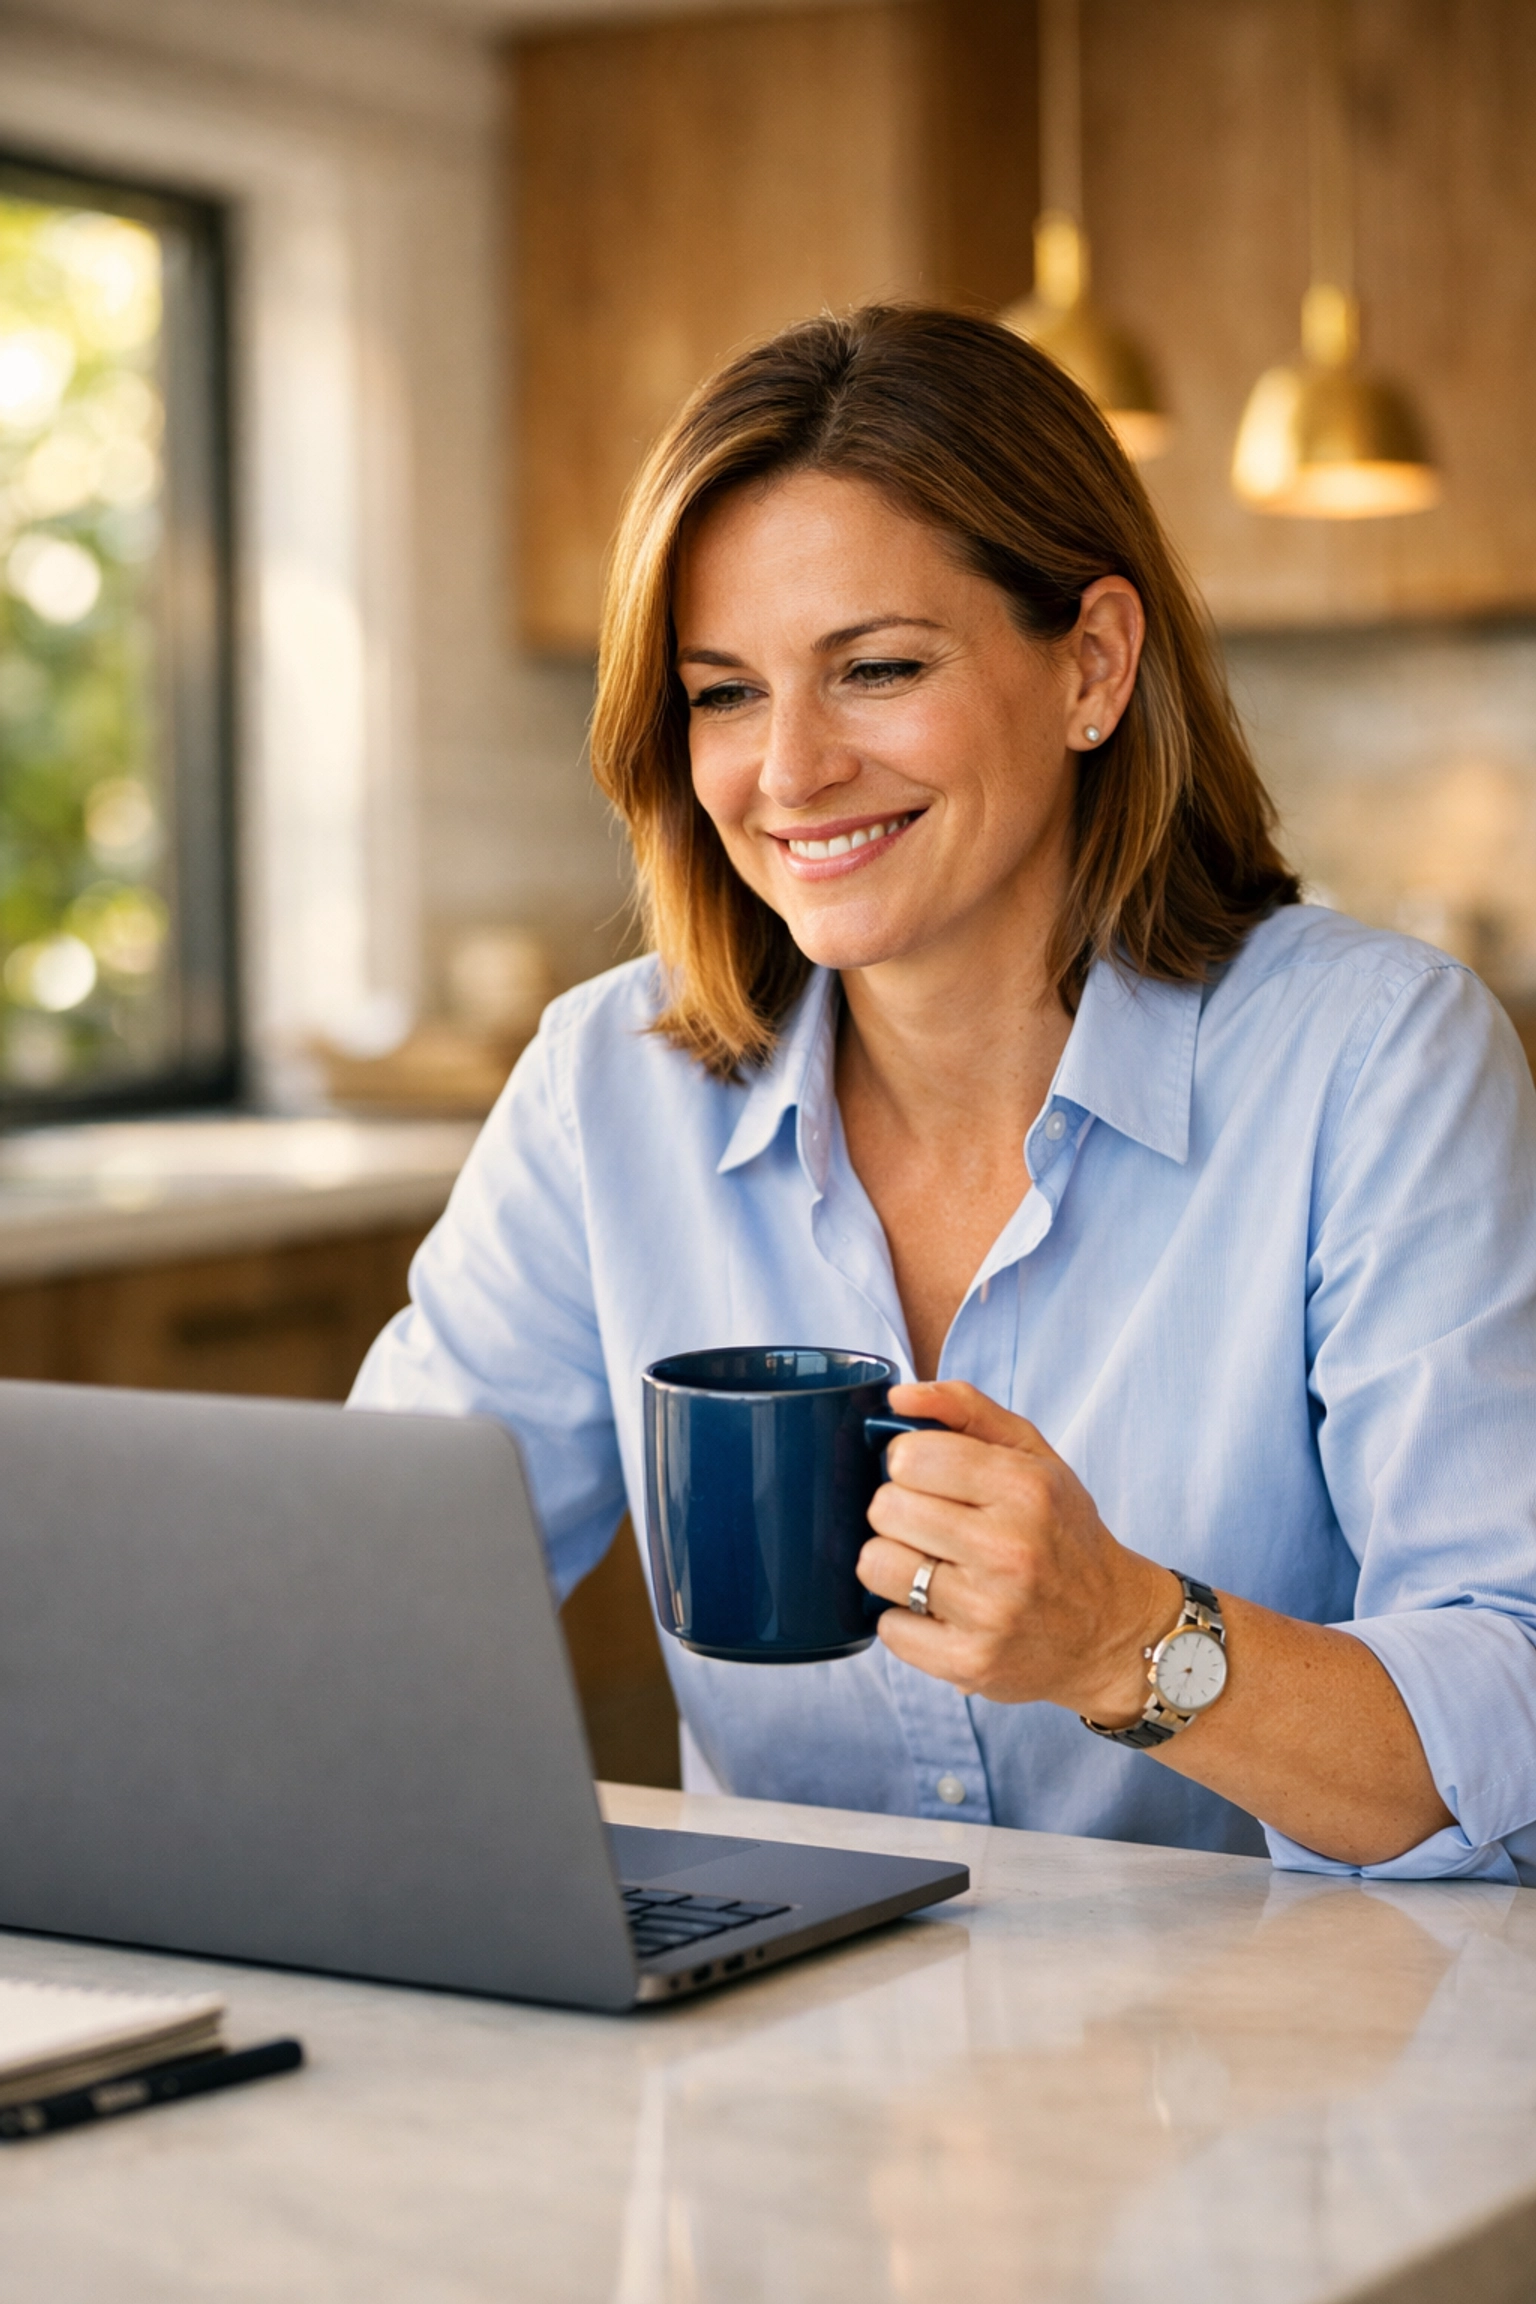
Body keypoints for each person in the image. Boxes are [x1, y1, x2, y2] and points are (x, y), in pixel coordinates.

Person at [353, 305, 1536, 1883]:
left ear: (1092, 667)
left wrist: (1126, 1639)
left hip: (1271, 2077)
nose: (789, 772)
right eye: (724, 693)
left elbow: (1512, 1709)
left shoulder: (1375, 1063)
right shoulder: (605, 1087)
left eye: (879, 668)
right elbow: (362, 1584)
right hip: (777, 2056)